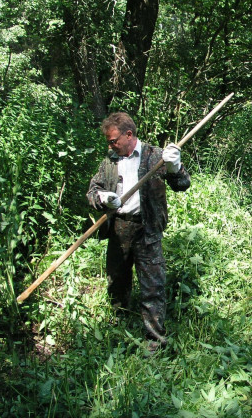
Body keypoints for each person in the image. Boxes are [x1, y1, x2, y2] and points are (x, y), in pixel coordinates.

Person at [87, 112, 190, 350]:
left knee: (153, 286)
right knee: (117, 281)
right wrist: (103, 197)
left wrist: (175, 167)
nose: (110, 146)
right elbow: (92, 191)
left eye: (113, 141)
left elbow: (182, 184)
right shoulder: (110, 161)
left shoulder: (155, 156)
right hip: (119, 228)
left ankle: (154, 342)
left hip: (147, 229)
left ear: (129, 134)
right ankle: (118, 329)